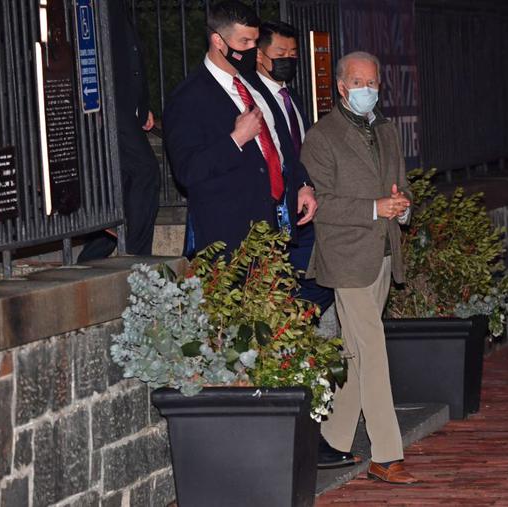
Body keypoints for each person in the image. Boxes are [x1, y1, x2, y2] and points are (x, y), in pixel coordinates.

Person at [300, 51, 418, 484]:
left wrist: (401, 208)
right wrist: (374, 208)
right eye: (359, 82)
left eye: (375, 83)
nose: (369, 90)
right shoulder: (322, 137)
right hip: (346, 255)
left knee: (354, 349)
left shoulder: (385, 130)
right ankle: (387, 455)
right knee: (372, 348)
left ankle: (331, 439)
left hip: (384, 252)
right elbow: (319, 204)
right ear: (342, 86)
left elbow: (400, 184)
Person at [162, 1, 316, 258]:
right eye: (244, 42)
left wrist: (302, 184)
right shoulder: (188, 98)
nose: (251, 50)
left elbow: (281, 143)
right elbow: (188, 171)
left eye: (255, 42)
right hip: (229, 239)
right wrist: (235, 139)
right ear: (218, 41)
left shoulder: (256, 85)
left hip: (274, 229)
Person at [244, 20, 334, 312]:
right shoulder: (251, 96)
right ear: (259, 54)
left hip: (303, 204)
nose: (288, 59)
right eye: (280, 52)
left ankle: (298, 329)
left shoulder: (290, 96)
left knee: (324, 281)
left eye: (293, 54)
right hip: (277, 209)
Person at [78, 0, 159, 262]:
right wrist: (95, 103)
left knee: (123, 184)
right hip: (109, 107)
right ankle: (137, 256)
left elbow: (131, 57)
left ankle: (91, 257)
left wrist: (142, 104)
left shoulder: (116, 6)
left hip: (125, 107)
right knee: (146, 171)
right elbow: (88, 52)